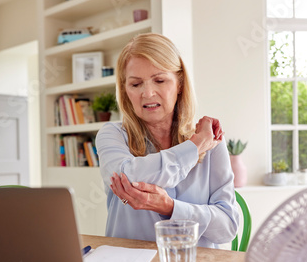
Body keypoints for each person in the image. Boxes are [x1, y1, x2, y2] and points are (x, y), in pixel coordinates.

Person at [95, 33, 239, 248]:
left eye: (159, 80)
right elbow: (129, 175)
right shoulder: (112, 135)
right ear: (125, 90)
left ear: (179, 83)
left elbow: (227, 226)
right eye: (135, 84)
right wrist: (195, 147)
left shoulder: (213, 144)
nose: (147, 93)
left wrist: (170, 207)